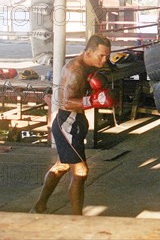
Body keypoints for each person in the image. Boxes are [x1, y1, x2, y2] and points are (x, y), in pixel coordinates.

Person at [32, 34, 114, 215]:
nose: (105, 59)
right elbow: (67, 103)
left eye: (107, 56)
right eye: (101, 56)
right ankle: (77, 219)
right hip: (68, 122)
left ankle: (40, 205)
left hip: (75, 122)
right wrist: (94, 100)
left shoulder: (87, 65)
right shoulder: (76, 71)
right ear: (88, 52)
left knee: (61, 166)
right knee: (80, 172)